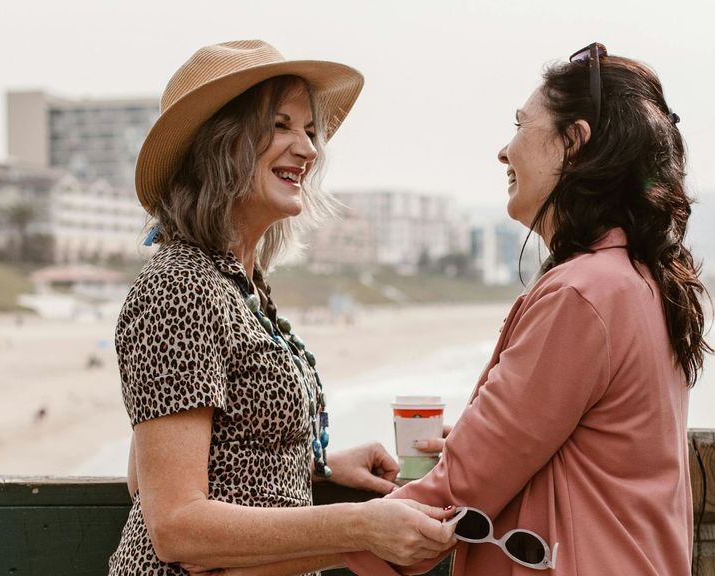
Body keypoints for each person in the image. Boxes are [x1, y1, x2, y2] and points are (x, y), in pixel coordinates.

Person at [347, 43, 711, 575]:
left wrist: (270, 550)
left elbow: (455, 496)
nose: (504, 151)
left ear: (574, 143)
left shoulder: (580, 295)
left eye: (520, 125)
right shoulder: (640, 279)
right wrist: (482, 439)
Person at [108, 40, 455, 575]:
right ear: (218, 146)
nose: (309, 149)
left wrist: (315, 465)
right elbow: (175, 524)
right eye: (280, 125)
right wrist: (360, 527)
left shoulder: (237, 285)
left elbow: (169, 464)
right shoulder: (177, 289)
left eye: (310, 131)